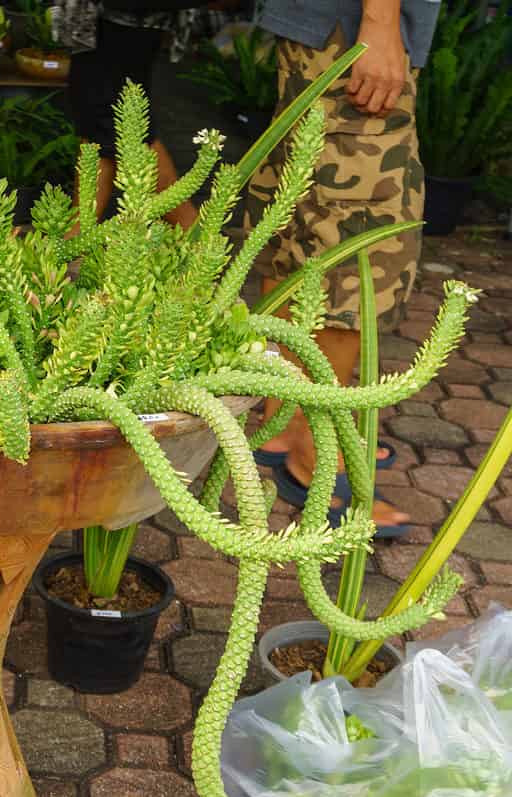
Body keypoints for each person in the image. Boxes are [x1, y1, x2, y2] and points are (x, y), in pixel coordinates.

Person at [246, 0, 442, 538]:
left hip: (324, 24)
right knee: (362, 247)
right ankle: (317, 458)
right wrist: (379, 24)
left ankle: (281, 423)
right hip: (354, 26)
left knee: (300, 216)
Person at [60, 0, 214, 227]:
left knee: (119, 116)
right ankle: (77, 232)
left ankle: (193, 230)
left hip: (129, 13)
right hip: (111, 15)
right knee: (98, 118)